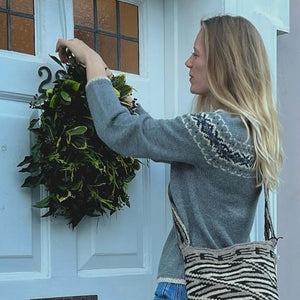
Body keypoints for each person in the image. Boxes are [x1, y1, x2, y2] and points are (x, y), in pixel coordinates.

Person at [56, 15, 282, 300]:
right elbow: (157, 136)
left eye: (196, 54)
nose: (188, 62)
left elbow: (118, 130)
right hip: (233, 288)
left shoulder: (210, 131)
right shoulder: (254, 132)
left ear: (223, 64)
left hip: (188, 284)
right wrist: (115, 88)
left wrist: (90, 59)